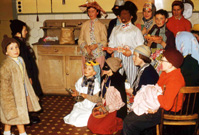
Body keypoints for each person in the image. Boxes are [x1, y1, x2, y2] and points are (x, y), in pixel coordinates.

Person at [123, 48, 185, 135]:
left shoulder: (175, 80)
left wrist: (156, 104)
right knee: (132, 116)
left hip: (168, 110)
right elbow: (156, 89)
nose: (159, 62)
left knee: (129, 123)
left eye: (162, 60)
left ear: (171, 64)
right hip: (160, 105)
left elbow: (167, 105)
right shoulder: (165, 73)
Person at [0, 35, 41, 135]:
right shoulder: (6, 66)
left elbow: (24, 76)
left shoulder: (20, 60)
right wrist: (8, 102)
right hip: (12, 95)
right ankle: (23, 133)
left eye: (16, 47)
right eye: (11, 48)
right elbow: (4, 87)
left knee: (12, 117)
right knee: (19, 115)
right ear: (6, 52)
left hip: (22, 90)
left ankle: (6, 132)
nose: (15, 50)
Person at [10, 19, 42, 124]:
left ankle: (28, 115)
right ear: (19, 31)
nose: (26, 32)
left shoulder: (20, 42)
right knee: (25, 95)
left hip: (28, 74)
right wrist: (28, 77)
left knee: (27, 95)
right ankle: (26, 117)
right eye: (24, 30)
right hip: (25, 76)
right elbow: (23, 62)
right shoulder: (17, 44)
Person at [87, 57, 127, 134]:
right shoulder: (105, 78)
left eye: (107, 68)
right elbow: (103, 94)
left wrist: (107, 108)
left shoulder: (117, 81)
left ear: (112, 68)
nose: (104, 70)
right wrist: (100, 102)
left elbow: (120, 102)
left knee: (100, 128)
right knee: (91, 123)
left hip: (114, 110)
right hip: (104, 105)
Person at [107, 4, 144, 86]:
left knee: (132, 78)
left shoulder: (136, 30)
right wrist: (110, 49)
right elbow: (111, 43)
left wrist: (130, 51)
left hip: (131, 57)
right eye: (121, 14)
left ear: (131, 16)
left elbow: (140, 47)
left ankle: (133, 96)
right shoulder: (115, 29)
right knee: (116, 78)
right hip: (117, 56)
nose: (123, 16)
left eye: (125, 14)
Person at [63, 61, 101, 127]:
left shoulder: (96, 84)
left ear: (94, 72)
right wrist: (76, 93)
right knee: (72, 119)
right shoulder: (81, 79)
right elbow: (78, 92)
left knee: (82, 120)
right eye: (86, 68)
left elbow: (96, 99)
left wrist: (86, 96)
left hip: (90, 106)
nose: (86, 70)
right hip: (81, 104)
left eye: (89, 69)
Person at [78, 1, 107, 70]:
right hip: (86, 54)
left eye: (93, 11)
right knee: (87, 74)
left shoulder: (102, 26)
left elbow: (104, 42)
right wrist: (86, 47)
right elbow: (80, 40)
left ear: (97, 12)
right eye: (89, 11)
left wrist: (96, 45)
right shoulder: (84, 25)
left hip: (98, 55)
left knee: (98, 75)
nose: (90, 13)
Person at [146, 9, 175, 74]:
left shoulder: (169, 34)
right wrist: (149, 42)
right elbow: (146, 48)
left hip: (163, 59)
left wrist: (161, 42)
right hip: (151, 59)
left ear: (166, 20)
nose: (158, 21)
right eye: (157, 19)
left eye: (161, 18)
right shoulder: (151, 31)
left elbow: (172, 50)